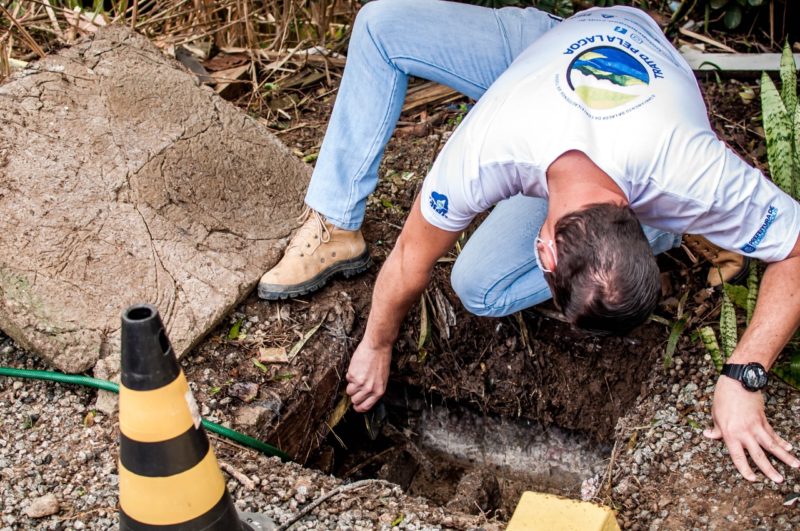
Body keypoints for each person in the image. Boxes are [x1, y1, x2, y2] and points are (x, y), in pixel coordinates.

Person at [258, 0, 800, 483]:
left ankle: (666, 229)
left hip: (619, 71)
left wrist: (744, 373)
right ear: (546, 250)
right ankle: (334, 223)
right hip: (548, 46)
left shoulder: (692, 171)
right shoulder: (484, 155)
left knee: (478, 285)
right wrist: (376, 345)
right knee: (381, 24)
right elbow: (408, 258)